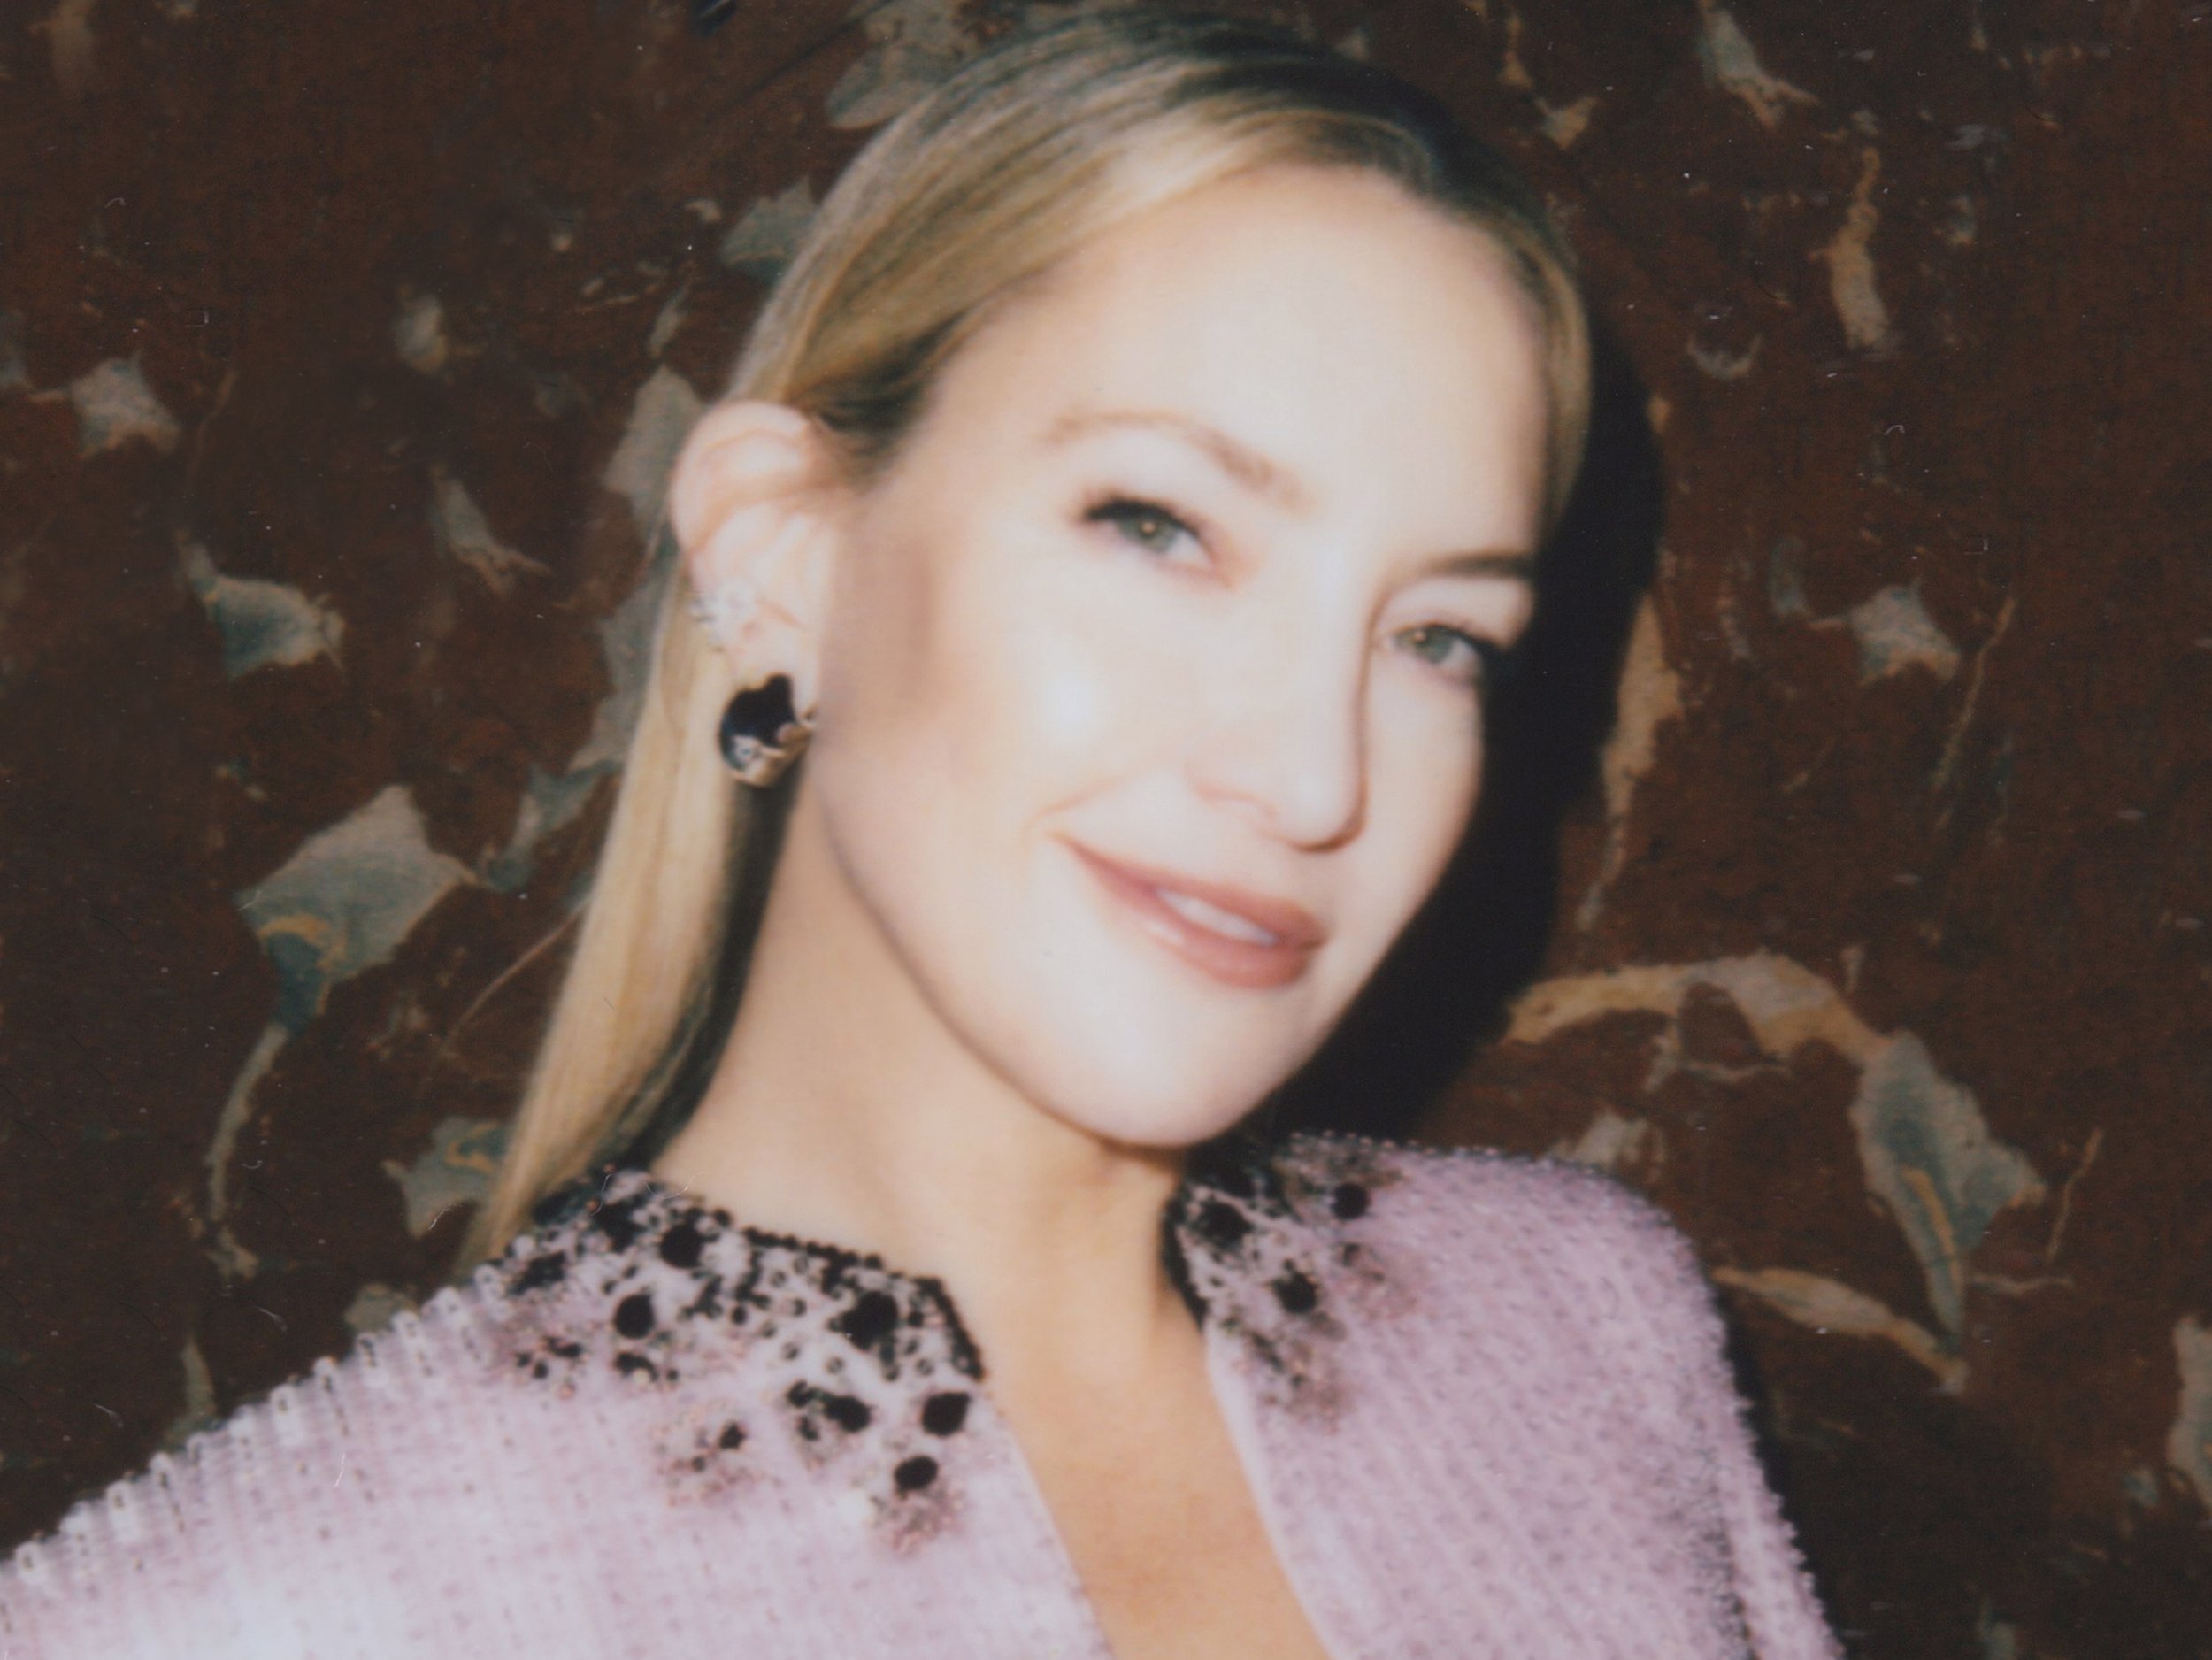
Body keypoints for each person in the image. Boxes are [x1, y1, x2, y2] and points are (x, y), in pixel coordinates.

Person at [0, 12, 1839, 1657]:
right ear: (784, 550)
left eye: (1438, 638)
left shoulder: (1583, 1331)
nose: (1311, 782)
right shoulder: (231, 1617)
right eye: (1160, 527)